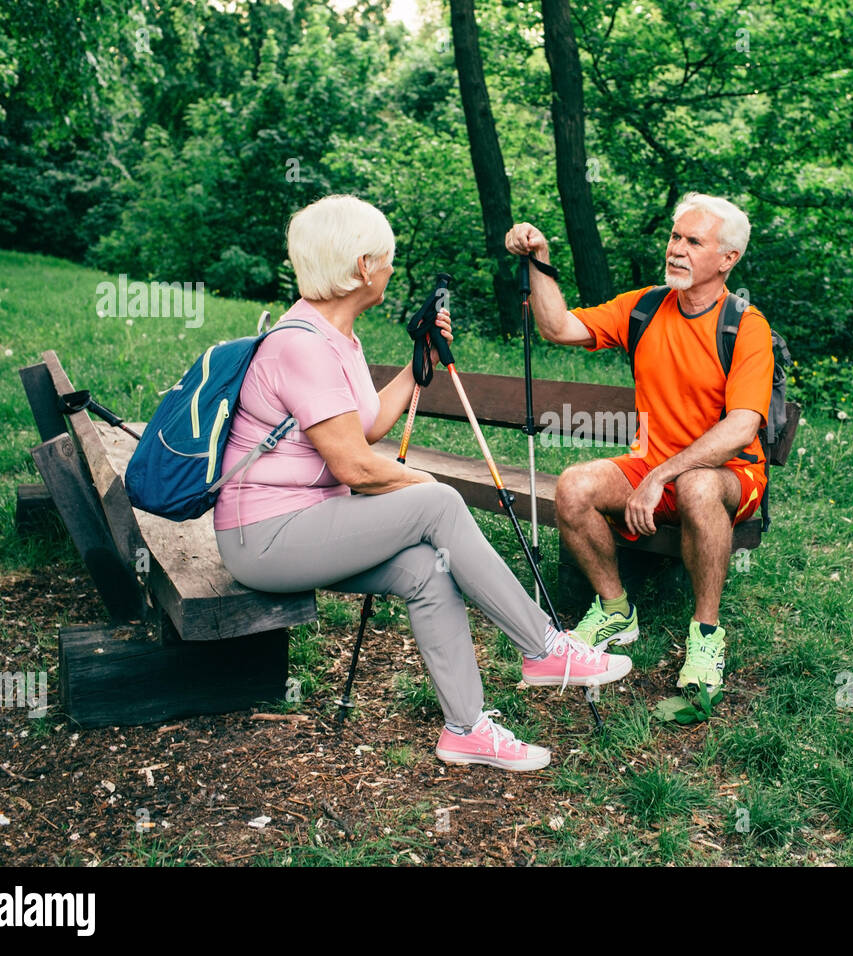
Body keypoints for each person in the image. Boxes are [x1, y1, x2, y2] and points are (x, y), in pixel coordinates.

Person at [214, 194, 631, 772]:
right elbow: (355, 467)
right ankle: (543, 649)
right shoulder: (301, 346)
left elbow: (368, 426)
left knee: (426, 572)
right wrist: (427, 490)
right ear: (362, 267)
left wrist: (420, 360)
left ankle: (466, 728)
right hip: (264, 537)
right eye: (385, 258)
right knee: (437, 502)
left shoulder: (338, 336)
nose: (390, 267)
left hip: (305, 525)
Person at [505, 193, 773, 694]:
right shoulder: (646, 308)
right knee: (575, 485)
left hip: (730, 477)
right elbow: (557, 327)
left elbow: (741, 428)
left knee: (695, 486)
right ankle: (615, 609)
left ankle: (706, 633)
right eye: (675, 237)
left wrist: (660, 476)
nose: (677, 249)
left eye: (694, 241)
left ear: (727, 259)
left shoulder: (746, 326)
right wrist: (539, 260)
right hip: (651, 466)